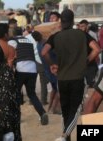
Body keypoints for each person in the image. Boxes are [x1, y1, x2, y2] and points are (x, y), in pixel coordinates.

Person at [41, 9, 100, 141]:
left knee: (66, 110)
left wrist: (52, 64)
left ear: (61, 21)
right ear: (73, 21)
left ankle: (65, 138)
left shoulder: (55, 36)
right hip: (78, 77)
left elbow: (44, 52)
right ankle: (64, 136)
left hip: (61, 78)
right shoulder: (82, 34)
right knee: (75, 110)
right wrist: (86, 60)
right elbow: (97, 49)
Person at [8, 27, 48, 125]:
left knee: (16, 93)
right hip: (33, 69)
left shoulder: (13, 41)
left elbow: (11, 55)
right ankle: (42, 113)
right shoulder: (28, 40)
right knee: (32, 94)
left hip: (21, 69)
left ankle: (16, 117)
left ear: (13, 33)